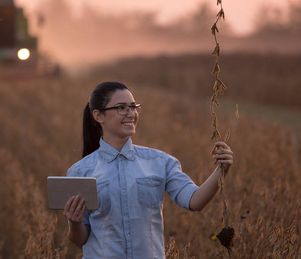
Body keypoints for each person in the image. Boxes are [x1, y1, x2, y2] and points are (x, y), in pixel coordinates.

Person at [64, 81, 233, 258]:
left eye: (133, 107)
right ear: (99, 116)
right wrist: (74, 222)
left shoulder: (160, 162)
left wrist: (221, 171)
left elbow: (194, 201)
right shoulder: (80, 171)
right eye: (121, 108)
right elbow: (79, 240)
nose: (131, 114)